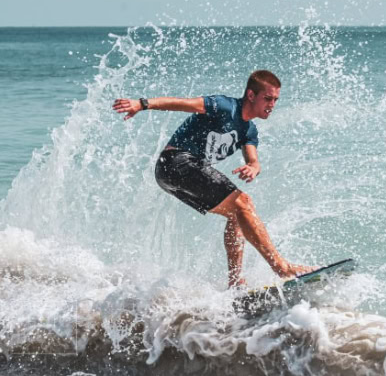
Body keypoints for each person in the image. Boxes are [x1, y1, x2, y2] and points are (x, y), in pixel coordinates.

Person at [112, 70, 314, 287]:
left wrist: (254, 167)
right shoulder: (224, 106)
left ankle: (235, 282)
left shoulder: (249, 130)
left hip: (172, 175)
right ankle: (281, 268)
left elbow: (253, 159)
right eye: (267, 98)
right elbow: (182, 103)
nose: (272, 104)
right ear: (251, 95)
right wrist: (142, 104)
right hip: (175, 161)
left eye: (275, 99)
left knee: (239, 215)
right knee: (243, 203)